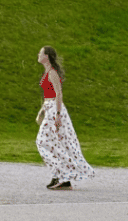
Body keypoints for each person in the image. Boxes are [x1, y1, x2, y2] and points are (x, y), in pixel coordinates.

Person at [36, 46, 95, 190]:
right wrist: (41, 111)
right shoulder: (47, 72)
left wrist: (57, 115)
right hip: (49, 107)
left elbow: (58, 94)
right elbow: (48, 95)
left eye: (41, 53)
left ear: (47, 56)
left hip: (55, 110)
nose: (38, 55)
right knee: (55, 143)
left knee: (42, 141)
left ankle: (62, 175)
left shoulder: (52, 73)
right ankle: (61, 176)